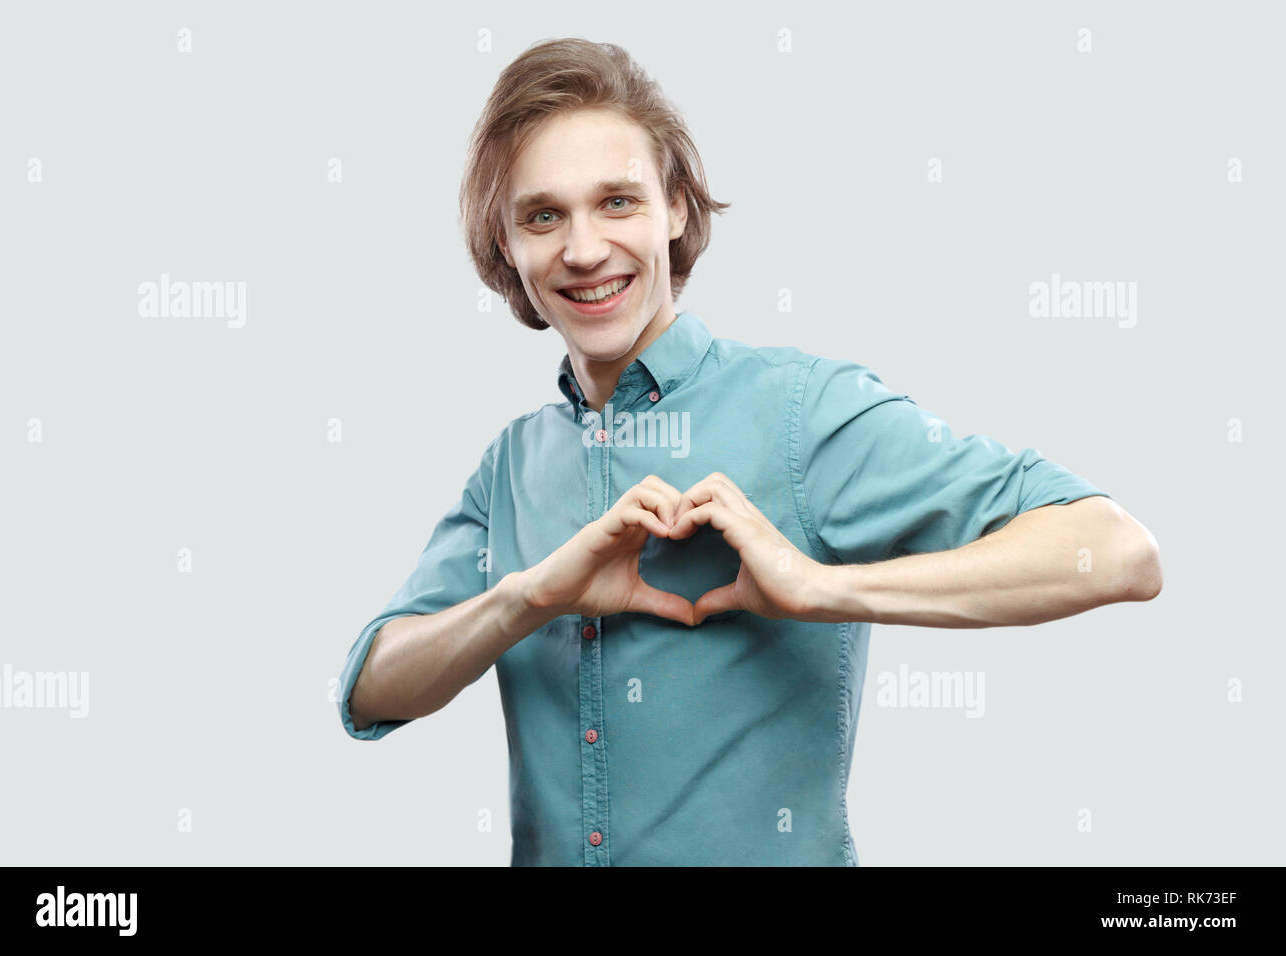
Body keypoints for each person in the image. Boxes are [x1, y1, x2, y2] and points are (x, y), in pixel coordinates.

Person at [337, 37, 1162, 866]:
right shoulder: (509, 466)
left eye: (618, 202)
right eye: (543, 215)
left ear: (677, 211)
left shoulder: (802, 412)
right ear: (507, 244)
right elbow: (371, 687)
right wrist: (529, 598)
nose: (583, 250)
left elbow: (1115, 551)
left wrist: (821, 587)